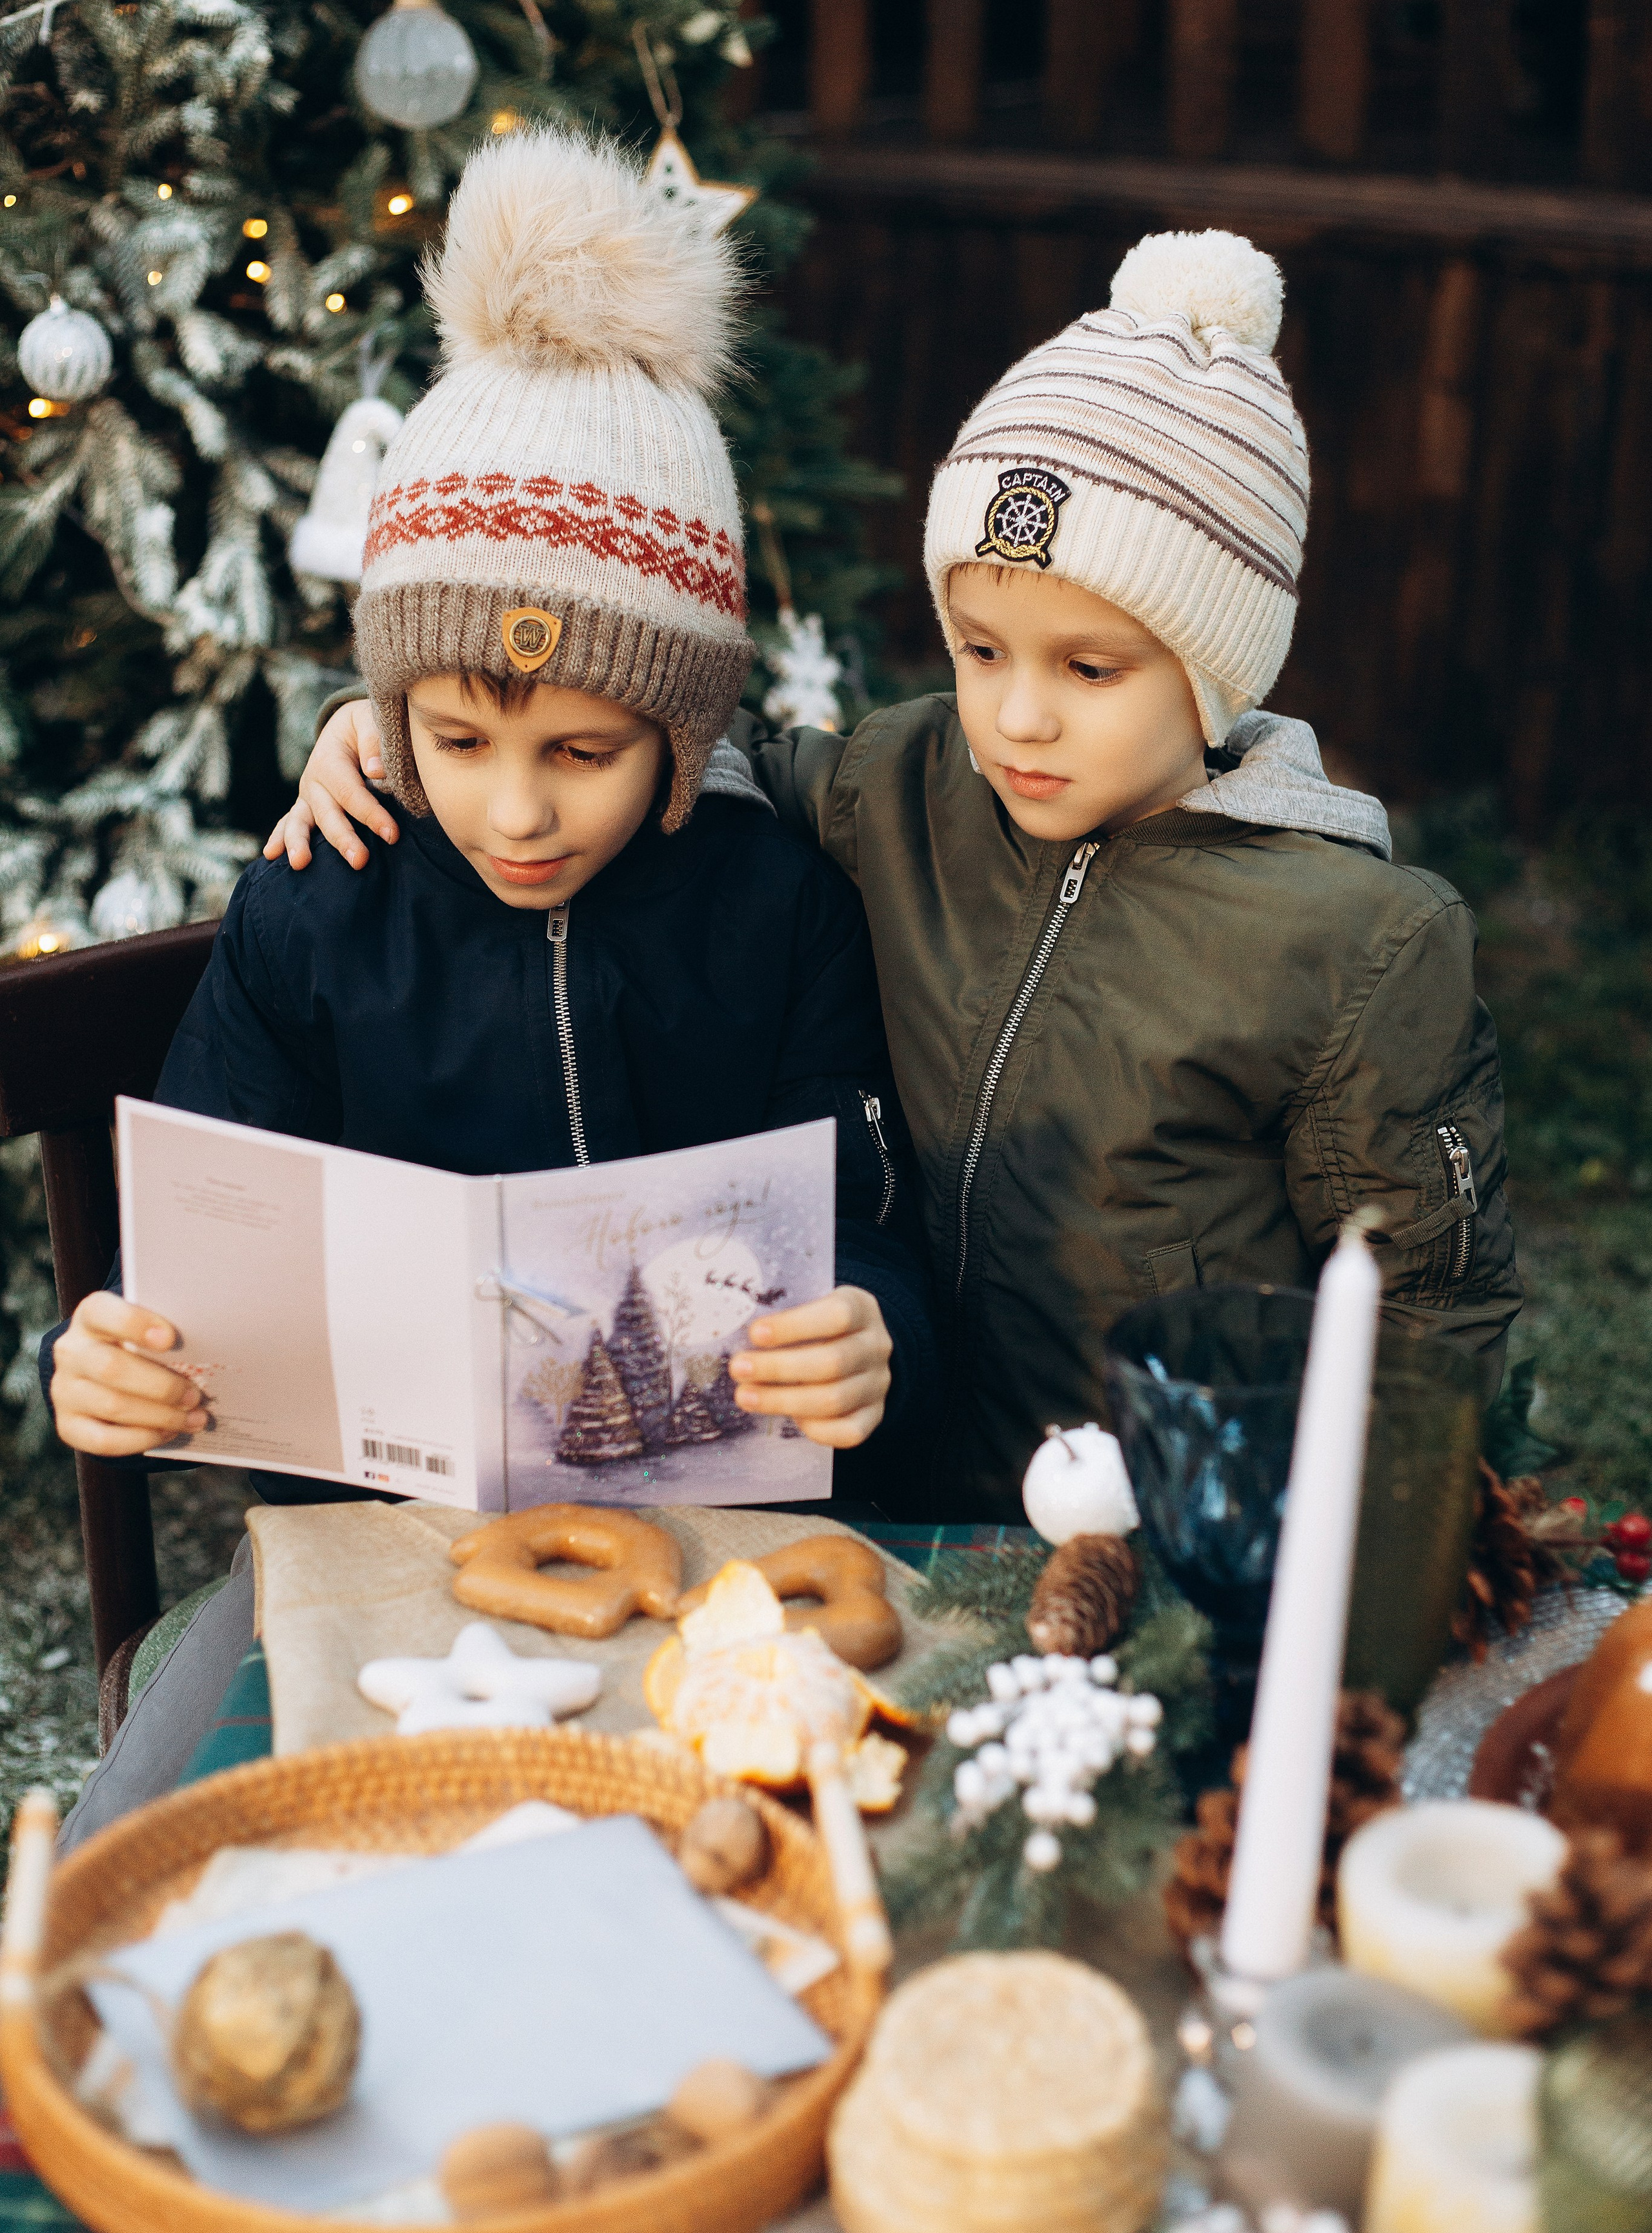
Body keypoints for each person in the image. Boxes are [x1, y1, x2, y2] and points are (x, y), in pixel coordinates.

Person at [270, 225, 1521, 1524]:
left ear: (1216, 670)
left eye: (1086, 669)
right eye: (980, 651)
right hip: (893, 1498)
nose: (1016, 717)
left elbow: (1428, 1304)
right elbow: (672, 744)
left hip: (1158, 1533)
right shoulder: (901, 786)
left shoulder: (1350, 938)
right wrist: (388, 718)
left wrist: (1360, 1540)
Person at [46, 126, 937, 1839]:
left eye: (587, 749)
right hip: (357, 1556)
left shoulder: (773, 909)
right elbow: (192, 1248)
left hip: (723, 1552)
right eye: (455, 738)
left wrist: (876, 1324)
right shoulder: (321, 906)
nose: (516, 810)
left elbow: (868, 1207)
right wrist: (114, 1358)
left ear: (681, 735)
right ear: (383, 714)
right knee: (200, 1861)